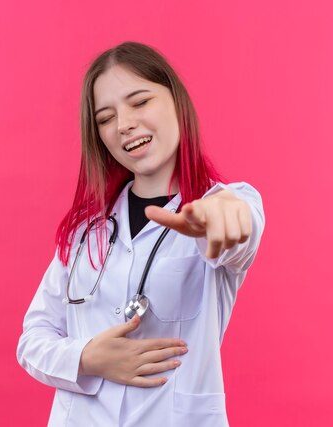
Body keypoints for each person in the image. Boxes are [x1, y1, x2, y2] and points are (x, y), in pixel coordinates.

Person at [16, 41, 265, 427]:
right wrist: (88, 358)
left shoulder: (225, 203)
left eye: (139, 101)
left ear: (176, 101)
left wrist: (223, 219)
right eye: (105, 118)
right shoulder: (86, 232)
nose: (123, 124)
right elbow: (33, 340)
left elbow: (236, 231)